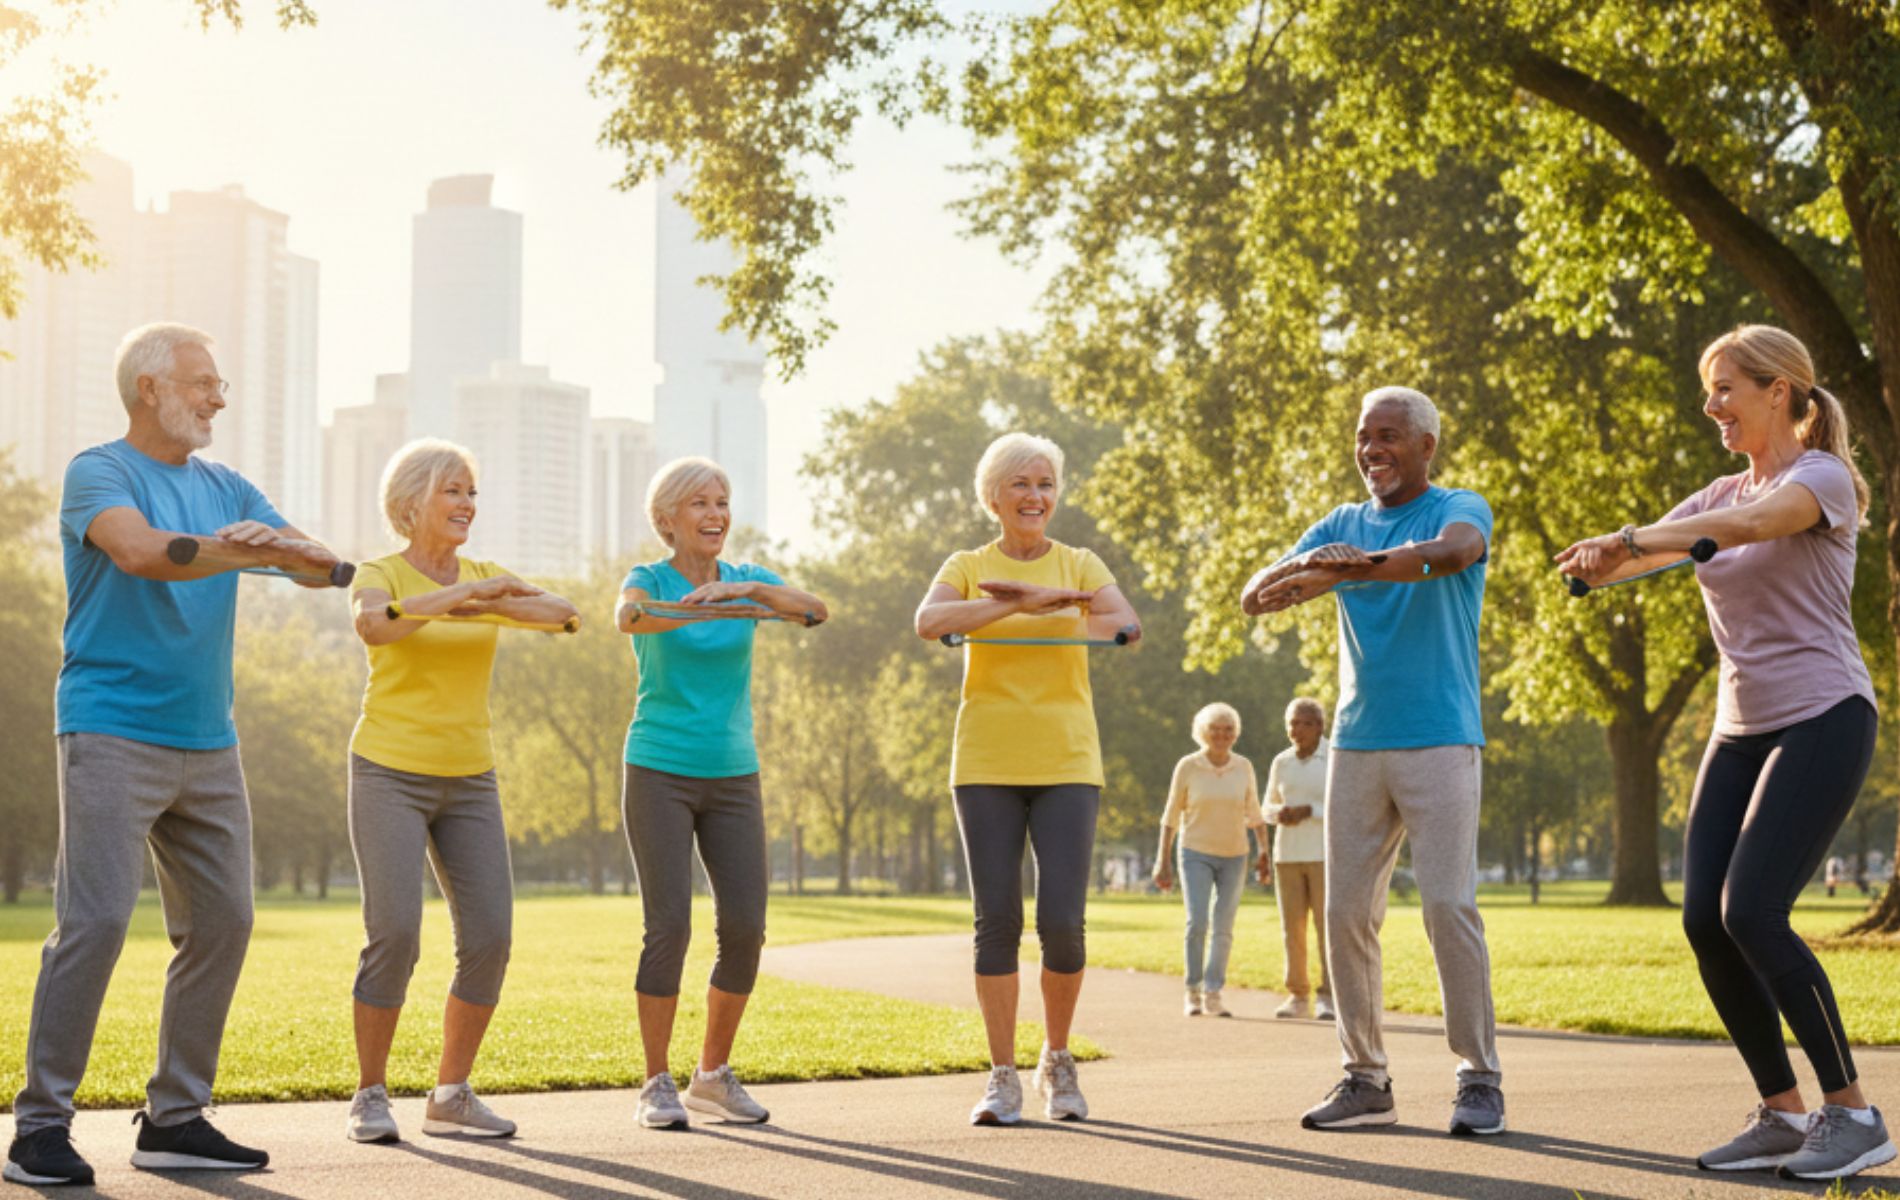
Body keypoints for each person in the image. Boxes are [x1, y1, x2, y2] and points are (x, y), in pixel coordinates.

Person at [7, 323, 344, 1186]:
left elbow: (314, 565)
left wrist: (285, 553)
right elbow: (141, 551)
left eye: (222, 384)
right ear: (150, 388)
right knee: (97, 923)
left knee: (226, 920)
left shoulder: (226, 482)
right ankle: (39, 1125)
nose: (218, 398)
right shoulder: (101, 472)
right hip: (111, 727)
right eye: (203, 382)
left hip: (209, 738)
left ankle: (174, 1117)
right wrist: (248, 550)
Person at [1557, 325, 1894, 1182]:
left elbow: (1749, 523)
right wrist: (1602, 561)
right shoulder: (1716, 490)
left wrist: (1635, 538)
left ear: (1778, 390)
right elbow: (1647, 555)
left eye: (1724, 389)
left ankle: (1853, 1112)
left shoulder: (1818, 480)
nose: (1711, 407)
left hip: (1824, 714)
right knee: (1705, 918)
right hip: (1740, 728)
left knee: (1754, 910)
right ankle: (1782, 1113)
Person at [1240, 386, 1503, 1137]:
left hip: (1442, 735)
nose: (1372, 449)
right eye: (1364, 436)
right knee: (1347, 915)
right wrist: (1301, 573)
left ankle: (1479, 1077)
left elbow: (1453, 553)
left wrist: (1353, 571)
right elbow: (1255, 596)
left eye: (1389, 435)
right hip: (1357, 743)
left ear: (1426, 446)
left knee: (1448, 906)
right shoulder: (1340, 525)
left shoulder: (1461, 504)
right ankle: (1366, 1077)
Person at [342, 440, 580, 1145]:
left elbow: (564, 612)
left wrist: (484, 598)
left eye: (472, 491)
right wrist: (460, 598)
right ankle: (369, 1094)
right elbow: (375, 625)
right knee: (395, 934)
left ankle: (450, 1095)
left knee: (490, 936)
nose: (468, 504)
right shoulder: (379, 572)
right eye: (454, 490)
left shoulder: (485, 576)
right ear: (413, 499)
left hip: (470, 778)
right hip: (388, 770)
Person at [915, 431, 1141, 1126]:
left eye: (1044, 484)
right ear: (993, 497)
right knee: (997, 925)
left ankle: (1059, 1059)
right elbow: (930, 621)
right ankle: (1002, 1075)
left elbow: (1124, 624)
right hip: (985, 761)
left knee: (1064, 924)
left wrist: (1057, 598)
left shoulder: (1079, 563)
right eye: (1020, 485)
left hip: (1068, 761)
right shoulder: (968, 564)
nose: (1035, 496)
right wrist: (1014, 604)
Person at [615, 457, 827, 1131]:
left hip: (734, 773)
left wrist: (748, 600)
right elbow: (630, 617)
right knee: (668, 925)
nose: (715, 515)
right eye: (699, 504)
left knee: (744, 927)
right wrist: (688, 606)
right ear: (667, 519)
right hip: (658, 768)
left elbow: (813, 610)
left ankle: (712, 1074)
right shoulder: (649, 579)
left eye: (723, 502)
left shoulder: (749, 581)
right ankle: (656, 1082)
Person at [1152, 702, 1267, 1018]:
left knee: (1224, 926)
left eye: (1228, 729)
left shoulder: (1243, 766)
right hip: (1195, 852)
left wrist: (1264, 852)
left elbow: (1254, 811)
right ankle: (1193, 990)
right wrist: (1163, 861)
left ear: (1235, 734)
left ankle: (1213, 991)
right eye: (1215, 729)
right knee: (1198, 921)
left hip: (1235, 854)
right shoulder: (1188, 766)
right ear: (1203, 732)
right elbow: (1171, 815)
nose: (1221, 735)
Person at [1262, 697, 1334, 1021]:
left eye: (1304, 723)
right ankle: (1297, 994)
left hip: (1323, 855)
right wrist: (1281, 813)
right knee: (1293, 928)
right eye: (1292, 722)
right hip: (1287, 854)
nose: (1296, 729)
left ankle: (1329, 997)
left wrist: (1310, 811)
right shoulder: (1281, 762)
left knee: (1327, 927)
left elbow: (1343, 805)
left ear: (1319, 726)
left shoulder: (1334, 757)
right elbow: (1266, 807)